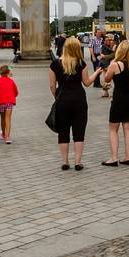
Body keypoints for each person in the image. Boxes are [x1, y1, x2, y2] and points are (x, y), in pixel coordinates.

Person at [49, 37, 94, 170]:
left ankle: (65, 162)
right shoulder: (81, 64)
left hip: (62, 101)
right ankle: (78, 162)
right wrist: (96, 73)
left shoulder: (55, 64)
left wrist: (57, 97)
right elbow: (86, 83)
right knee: (79, 132)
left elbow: (52, 85)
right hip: (79, 100)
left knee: (63, 133)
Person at [100, 39, 129, 165]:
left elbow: (107, 79)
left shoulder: (115, 65)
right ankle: (128, 157)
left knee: (113, 128)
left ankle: (114, 157)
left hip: (119, 98)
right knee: (128, 128)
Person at [0, 63, 19, 144]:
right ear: (8, 72)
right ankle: (7, 137)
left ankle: (3, 134)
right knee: (8, 118)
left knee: (2, 118)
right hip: (10, 102)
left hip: (1, 102)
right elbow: (16, 92)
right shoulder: (11, 81)